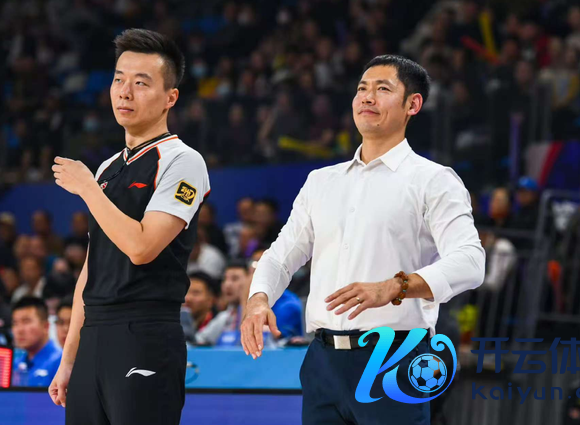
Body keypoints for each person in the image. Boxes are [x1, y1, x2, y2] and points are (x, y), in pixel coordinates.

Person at [242, 55, 484, 425]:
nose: (367, 97)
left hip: (394, 356)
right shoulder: (321, 181)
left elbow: (470, 261)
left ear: (413, 105)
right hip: (322, 359)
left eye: (383, 89)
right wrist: (259, 299)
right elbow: (279, 256)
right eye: (362, 89)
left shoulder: (433, 180)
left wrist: (395, 286)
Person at [48, 29, 210, 425]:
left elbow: (142, 248)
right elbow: (91, 270)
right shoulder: (107, 168)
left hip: (145, 332)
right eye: (119, 79)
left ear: (170, 97)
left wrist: (88, 189)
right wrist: (69, 360)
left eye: (141, 83)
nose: (124, 92)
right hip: (93, 337)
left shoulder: (183, 161)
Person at [11, 297, 62, 387]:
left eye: (26, 322)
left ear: (46, 326)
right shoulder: (15, 364)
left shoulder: (61, 363)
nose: (19, 330)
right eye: (15, 323)